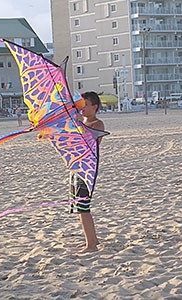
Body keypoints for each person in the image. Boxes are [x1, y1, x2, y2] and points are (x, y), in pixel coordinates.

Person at [71, 91, 105, 253]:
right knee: (78, 206)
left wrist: (79, 124)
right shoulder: (79, 122)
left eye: (86, 105)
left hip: (87, 169)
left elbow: (91, 138)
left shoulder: (97, 124)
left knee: (84, 207)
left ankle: (91, 244)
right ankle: (91, 239)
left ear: (94, 107)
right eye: (81, 105)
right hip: (76, 168)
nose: (82, 108)